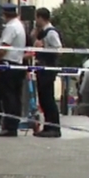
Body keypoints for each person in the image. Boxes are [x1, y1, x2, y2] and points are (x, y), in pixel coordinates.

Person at [0, 4, 27, 137]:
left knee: (7, 97)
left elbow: (3, 48)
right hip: (16, 65)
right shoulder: (19, 25)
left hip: (8, 66)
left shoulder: (11, 27)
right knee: (2, 97)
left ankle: (8, 127)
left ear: (4, 14)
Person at [32, 8, 63, 137]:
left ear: (40, 18)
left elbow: (59, 49)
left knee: (48, 98)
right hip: (42, 68)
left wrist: (44, 47)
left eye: (36, 18)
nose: (35, 20)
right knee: (43, 99)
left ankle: (54, 128)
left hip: (48, 69)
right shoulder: (43, 32)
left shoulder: (51, 33)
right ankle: (48, 126)